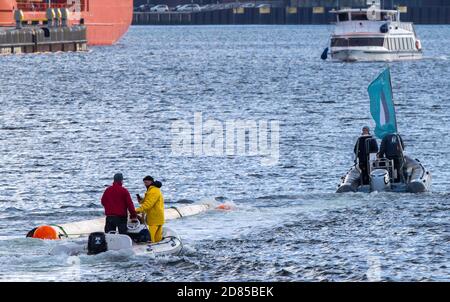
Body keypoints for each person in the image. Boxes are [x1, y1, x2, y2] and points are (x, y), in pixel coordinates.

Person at [136, 176, 165, 243]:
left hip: (154, 218)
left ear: (151, 182)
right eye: (144, 183)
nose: (145, 184)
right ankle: (159, 250)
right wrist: (141, 201)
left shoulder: (153, 191)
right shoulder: (154, 190)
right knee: (157, 238)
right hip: (159, 217)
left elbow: (149, 204)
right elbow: (149, 201)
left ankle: (152, 251)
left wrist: (137, 210)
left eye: (146, 182)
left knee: (151, 237)